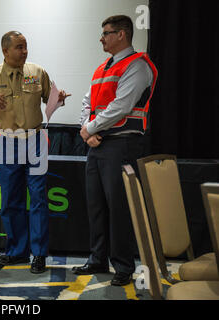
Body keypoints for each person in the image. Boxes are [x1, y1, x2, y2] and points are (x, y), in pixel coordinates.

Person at [0, 31, 70, 274]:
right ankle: (17, 251)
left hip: (35, 140)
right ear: (5, 51)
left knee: (39, 197)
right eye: (19, 47)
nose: (24, 51)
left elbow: (49, 100)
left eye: (26, 47)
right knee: (11, 199)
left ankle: (39, 254)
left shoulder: (37, 72)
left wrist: (59, 99)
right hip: (8, 141)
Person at [72, 15, 158, 286]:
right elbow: (88, 102)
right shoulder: (101, 69)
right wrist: (88, 129)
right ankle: (98, 259)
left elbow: (121, 106)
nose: (101, 38)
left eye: (106, 33)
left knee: (119, 207)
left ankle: (122, 266)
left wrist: (91, 129)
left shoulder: (138, 66)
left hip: (121, 145)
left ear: (122, 35)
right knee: (96, 205)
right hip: (98, 145)